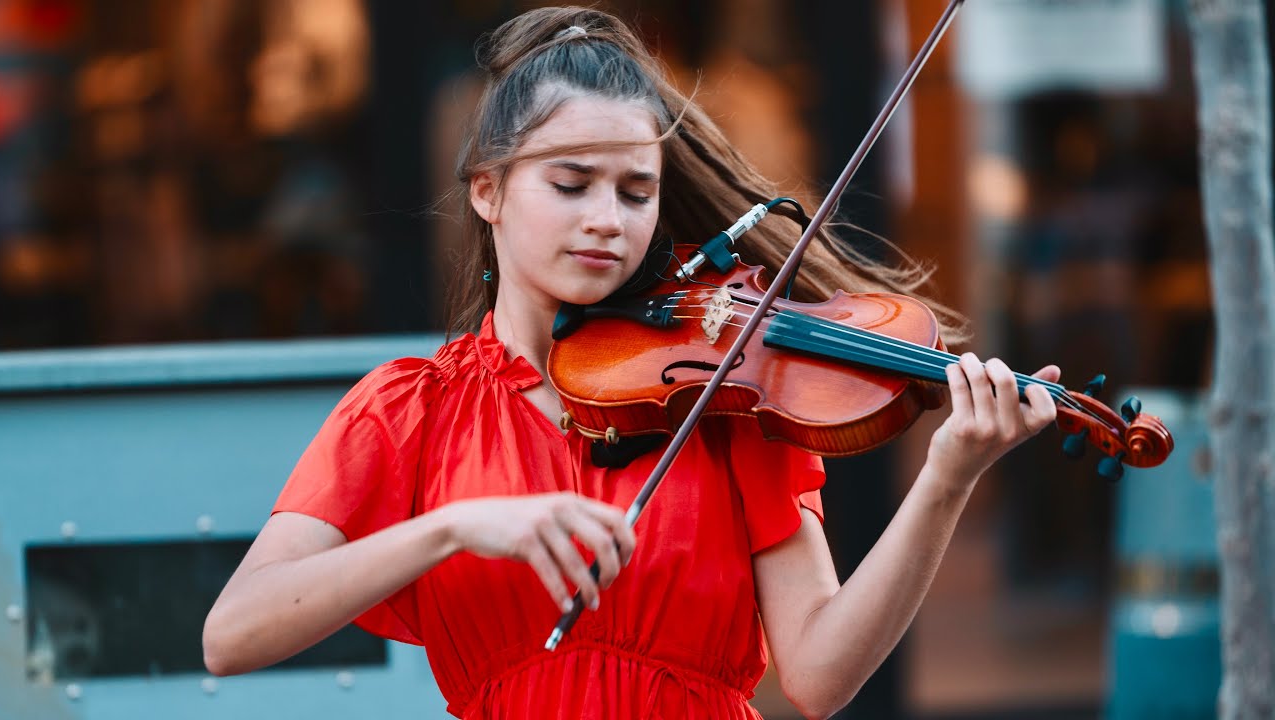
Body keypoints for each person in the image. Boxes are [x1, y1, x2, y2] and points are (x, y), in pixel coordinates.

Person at [202, 7, 1059, 719]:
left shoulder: (720, 393)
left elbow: (820, 678)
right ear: (488, 189)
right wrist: (452, 527)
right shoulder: (409, 410)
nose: (608, 219)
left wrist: (946, 480)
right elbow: (233, 634)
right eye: (571, 185)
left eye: (635, 191)